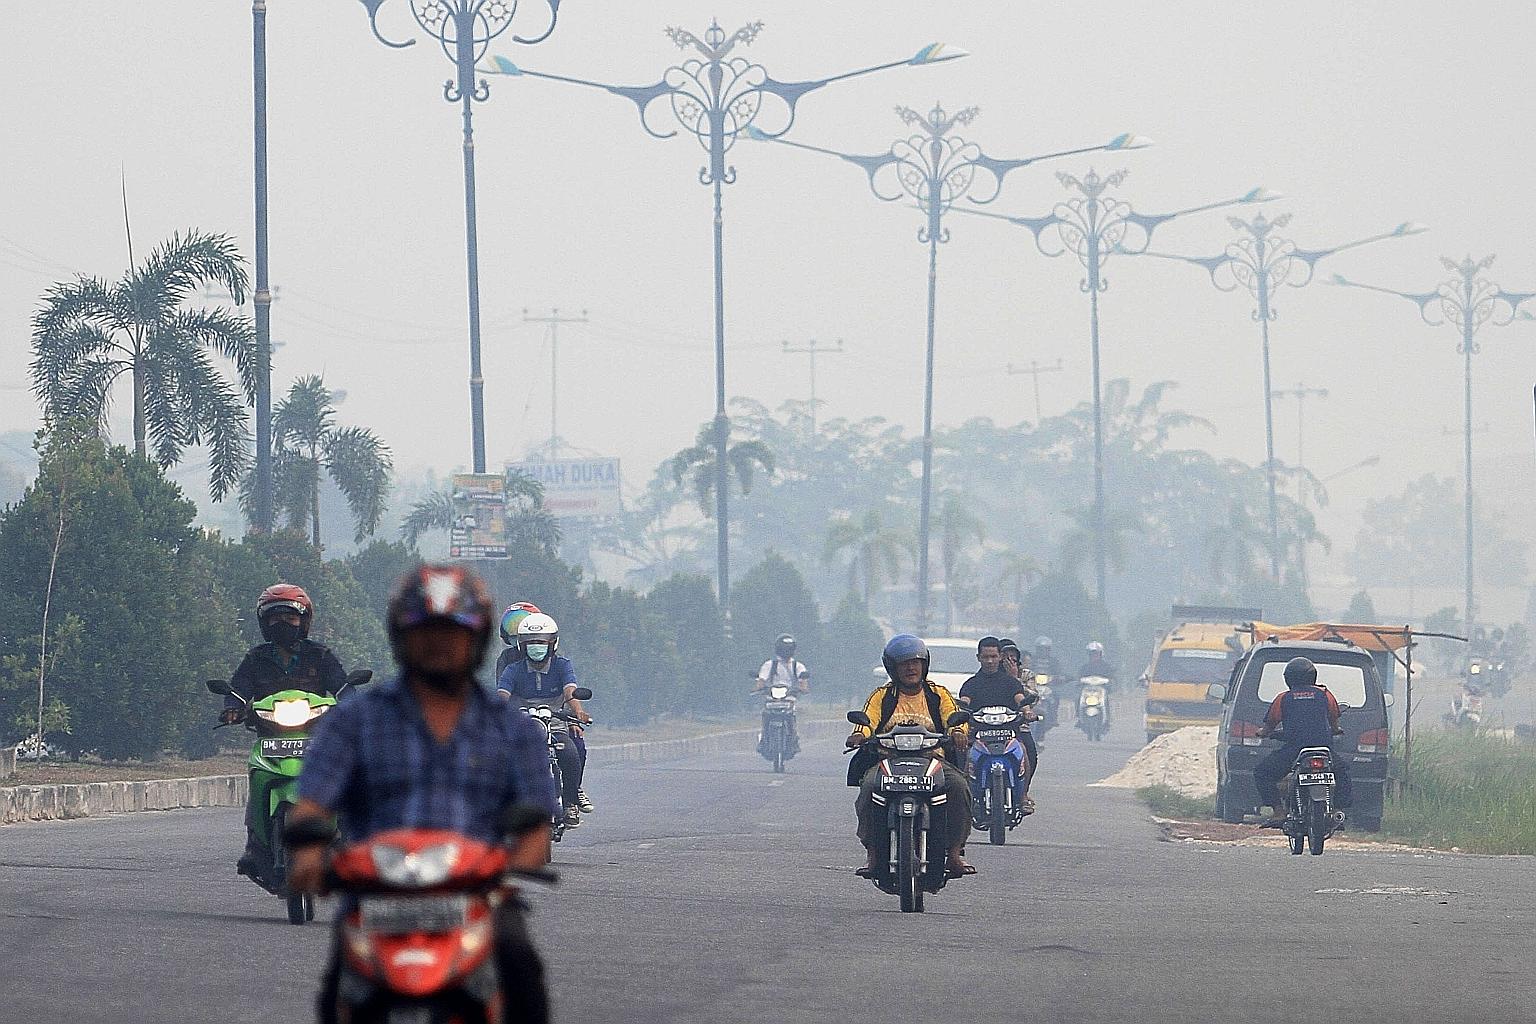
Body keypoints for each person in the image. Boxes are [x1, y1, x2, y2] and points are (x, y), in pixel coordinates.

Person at [283, 564, 558, 1024]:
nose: (440, 643)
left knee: (521, 966)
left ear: (479, 639)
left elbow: (536, 826)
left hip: (476, 898)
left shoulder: (513, 728)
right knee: (339, 992)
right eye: (425, 631)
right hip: (375, 898)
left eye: (454, 631)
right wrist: (309, 853)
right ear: (400, 637)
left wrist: (517, 864)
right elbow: (312, 803)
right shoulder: (355, 721)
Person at [224, 584, 349, 880]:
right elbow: (238, 689)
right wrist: (232, 707)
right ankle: (255, 844)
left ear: (303, 622)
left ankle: (345, 836)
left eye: (290, 618)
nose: (283, 624)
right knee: (258, 776)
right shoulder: (256, 658)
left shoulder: (320, 655)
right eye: (275, 619)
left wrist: (353, 707)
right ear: (264, 623)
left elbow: (344, 686)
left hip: (317, 736)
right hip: (271, 736)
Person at [847, 634, 974, 878]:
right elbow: (867, 721)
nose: (911, 668)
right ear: (892, 668)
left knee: (959, 786)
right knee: (868, 790)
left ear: (925, 664)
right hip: (888, 761)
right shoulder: (881, 696)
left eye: (916, 662)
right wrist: (859, 735)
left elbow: (953, 716)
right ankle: (873, 852)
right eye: (904, 663)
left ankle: (956, 853)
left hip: (932, 760)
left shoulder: (938, 694)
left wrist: (958, 732)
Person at [498, 612, 593, 825]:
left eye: (541, 643)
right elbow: (503, 694)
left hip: (557, 723)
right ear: (521, 646)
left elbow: (570, 691)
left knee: (569, 754)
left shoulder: (562, 665)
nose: (536, 647)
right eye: (530, 643)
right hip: (523, 725)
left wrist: (578, 712)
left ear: (552, 644)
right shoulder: (513, 669)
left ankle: (570, 802)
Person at [1253, 656, 1353, 825]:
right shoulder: (1325, 694)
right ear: (1313, 676)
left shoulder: (1283, 698)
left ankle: (1278, 812)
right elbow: (1334, 723)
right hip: (1323, 750)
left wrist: (1262, 733)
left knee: (1262, 773)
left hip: (1294, 751)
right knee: (1343, 772)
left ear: (1288, 678)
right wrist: (1336, 731)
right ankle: (1337, 810)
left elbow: (1268, 726)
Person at [959, 637, 1038, 814]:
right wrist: (959, 712)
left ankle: (1023, 796)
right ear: (978, 657)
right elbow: (964, 702)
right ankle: (964, 798)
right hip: (979, 735)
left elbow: (1020, 700)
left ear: (1000, 657)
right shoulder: (971, 684)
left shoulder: (1011, 682)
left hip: (1008, 734)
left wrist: (1027, 712)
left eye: (993, 656)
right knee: (963, 757)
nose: (989, 661)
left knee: (1024, 752)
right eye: (985, 657)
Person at [754, 633, 809, 756]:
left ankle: (794, 739)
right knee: (766, 714)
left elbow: (803, 683)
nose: (786, 651)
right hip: (771, 698)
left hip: (789, 698)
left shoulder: (798, 666)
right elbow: (761, 681)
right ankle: (764, 738)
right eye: (784, 648)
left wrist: (802, 689)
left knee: (792, 715)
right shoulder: (769, 665)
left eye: (788, 649)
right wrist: (759, 688)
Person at [495, 601, 542, 677]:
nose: (518, 631)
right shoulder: (507, 657)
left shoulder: (553, 658)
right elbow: (501, 686)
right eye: (511, 627)